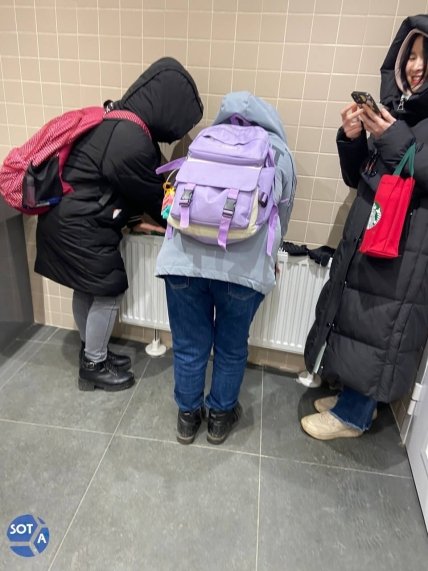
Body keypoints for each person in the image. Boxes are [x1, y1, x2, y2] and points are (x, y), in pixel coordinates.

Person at [34, 57, 203, 392]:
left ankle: (92, 351)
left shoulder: (116, 119)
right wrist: (176, 220)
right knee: (108, 291)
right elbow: (149, 193)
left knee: (87, 288)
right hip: (80, 226)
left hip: (67, 221)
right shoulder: (130, 137)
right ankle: (93, 366)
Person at [302, 14, 428, 440]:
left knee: (379, 326)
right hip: (372, 234)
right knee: (358, 318)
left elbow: (417, 169)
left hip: (406, 249)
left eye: (426, 57)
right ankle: (352, 402)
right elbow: (361, 178)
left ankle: (354, 415)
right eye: (411, 55)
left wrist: (393, 140)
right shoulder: (398, 111)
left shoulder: (406, 124)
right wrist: (354, 139)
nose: (416, 65)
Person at [155, 91, 296, 445]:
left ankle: (188, 418)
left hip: (183, 262)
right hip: (244, 269)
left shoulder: (205, 140)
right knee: (231, 347)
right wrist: (270, 260)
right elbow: (281, 216)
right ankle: (219, 418)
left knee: (188, 344)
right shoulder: (278, 152)